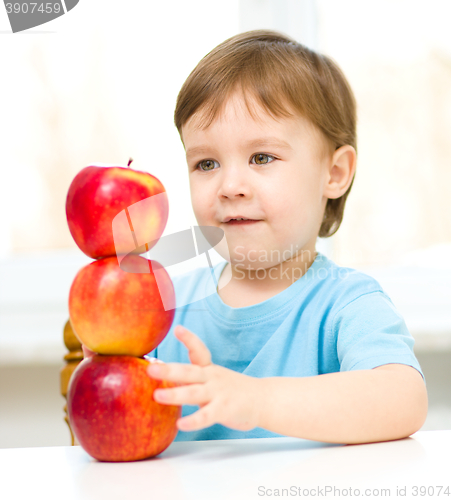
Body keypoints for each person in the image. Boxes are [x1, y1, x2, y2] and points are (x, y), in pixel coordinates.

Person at [145, 29, 428, 444]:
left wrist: (256, 400)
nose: (229, 185)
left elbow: (403, 400)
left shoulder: (346, 303)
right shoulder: (164, 307)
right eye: (206, 163)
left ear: (334, 174)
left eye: (262, 157)